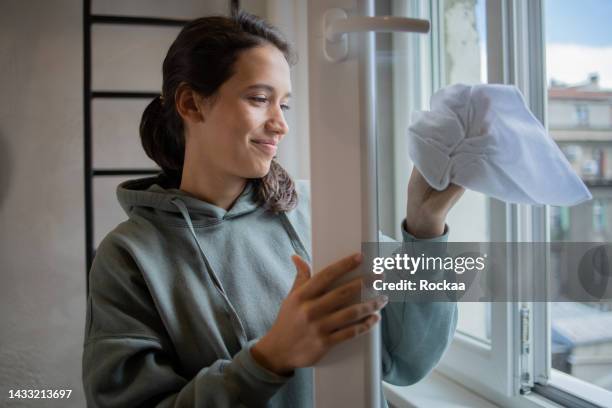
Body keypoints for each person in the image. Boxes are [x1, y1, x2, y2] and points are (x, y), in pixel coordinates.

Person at [81, 4, 465, 407]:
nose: (280, 123)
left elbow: (406, 359)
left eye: (284, 104)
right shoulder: (128, 258)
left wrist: (425, 227)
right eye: (260, 98)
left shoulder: (323, 208)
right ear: (192, 105)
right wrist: (271, 357)